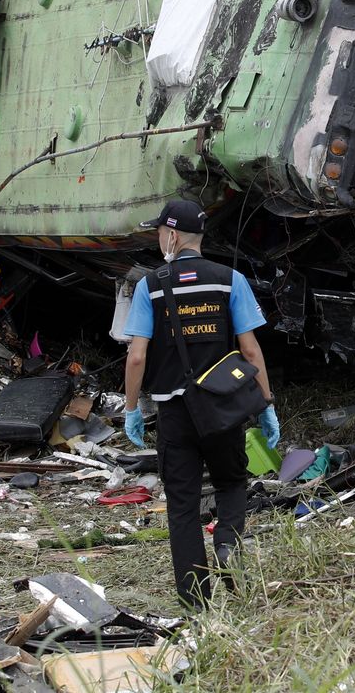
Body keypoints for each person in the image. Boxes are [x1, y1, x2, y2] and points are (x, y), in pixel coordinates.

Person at [122, 199, 280, 608]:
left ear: (172, 236)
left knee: (182, 505)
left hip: (174, 413)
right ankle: (227, 544)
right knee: (231, 481)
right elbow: (249, 350)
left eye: (160, 232)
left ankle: (196, 604)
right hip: (221, 407)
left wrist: (132, 407)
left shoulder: (149, 286)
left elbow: (137, 355)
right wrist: (265, 403)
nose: (159, 239)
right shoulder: (230, 280)